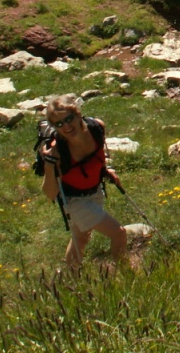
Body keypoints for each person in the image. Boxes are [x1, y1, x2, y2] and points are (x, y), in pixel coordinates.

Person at [40, 95, 127, 270]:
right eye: (59, 124)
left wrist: (105, 170)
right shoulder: (58, 151)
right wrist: (49, 164)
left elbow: (99, 154)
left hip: (94, 190)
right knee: (119, 233)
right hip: (74, 201)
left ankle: (72, 278)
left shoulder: (97, 128)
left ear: (78, 114)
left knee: (81, 238)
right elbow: (50, 193)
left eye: (68, 119)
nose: (66, 126)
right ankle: (126, 273)